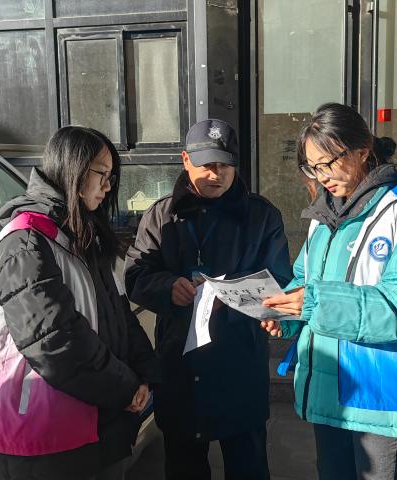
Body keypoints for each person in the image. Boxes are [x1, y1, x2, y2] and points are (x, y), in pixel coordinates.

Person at [261, 103, 397, 480]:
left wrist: (315, 303)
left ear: (362, 151)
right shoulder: (323, 217)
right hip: (327, 383)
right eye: (313, 167)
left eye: (328, 163)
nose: (322, 176)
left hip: (380, 391)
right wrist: (287, 313)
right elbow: (305, 279)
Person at [0, 126, 158, 480]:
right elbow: (54, 342)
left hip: (97, 425)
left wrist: (145, 374)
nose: (108, 187)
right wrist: (125, 388)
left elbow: (119, 314)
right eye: (102, 174)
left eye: (111, 177)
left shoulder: (83, 235)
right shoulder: (26, 242)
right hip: (41, 440)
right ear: (73, 169)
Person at [124, 119, 291, 480]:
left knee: (248, 467)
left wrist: (242, 300)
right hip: (181, 368)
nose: (215, 174)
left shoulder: (261, 216)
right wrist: (168, 287)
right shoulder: (161, 215)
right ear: (186, 160)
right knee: (184, 467)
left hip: (240, 364)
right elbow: (136, 275)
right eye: (206, 165)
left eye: (224, 165)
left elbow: (281, 281)